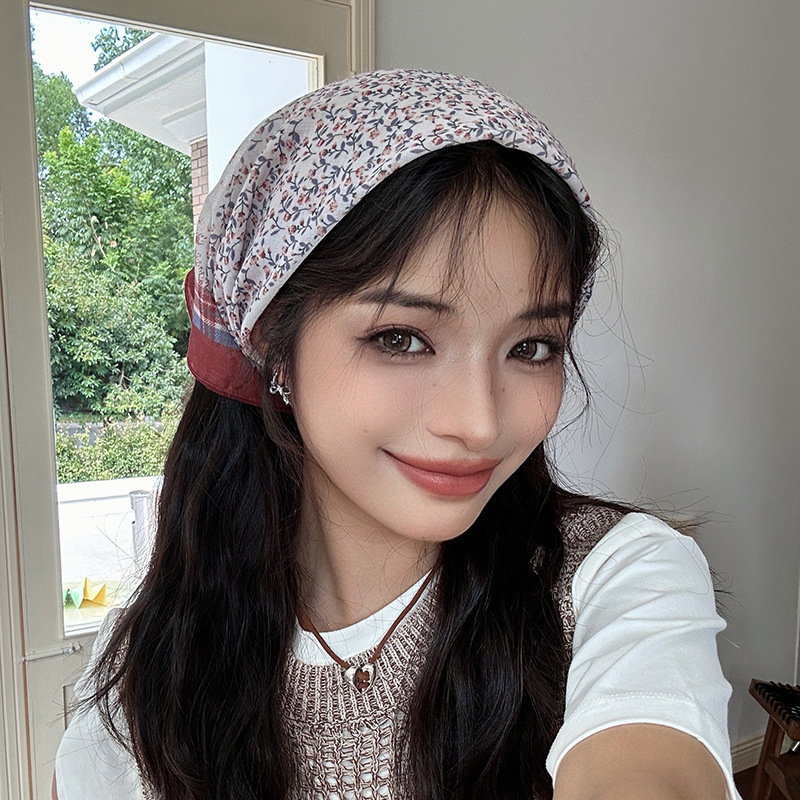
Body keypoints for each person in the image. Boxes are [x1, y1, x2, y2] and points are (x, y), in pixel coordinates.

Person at [53, 68, 740, 800]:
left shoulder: (618, 581)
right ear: (274, 345)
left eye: (532, 347)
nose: (478, 422)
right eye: (402, 338)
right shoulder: (149, 668)